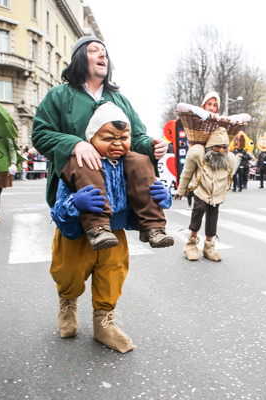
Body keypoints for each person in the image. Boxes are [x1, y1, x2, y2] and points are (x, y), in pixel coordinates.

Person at [31, 36, 168, 353]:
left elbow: (138, 138)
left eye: (105, 52)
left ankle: (104, 321)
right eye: (94, 51)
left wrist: (153, 146)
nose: (101, 55)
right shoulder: (59, 96)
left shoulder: (120, 100)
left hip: (116, 205)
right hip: (80, 197)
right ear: (80, 58)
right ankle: (67, 302)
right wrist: (74, 144)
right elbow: (40, 134)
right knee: (70, 268)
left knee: (113, 266)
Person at [60, 102, 173, 250]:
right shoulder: (80, 161)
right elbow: (59, 206)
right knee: (71, 273)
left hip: (116, 235)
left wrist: (165, 196)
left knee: (114, 272)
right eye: (108, 139)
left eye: (124, 138)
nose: (118, 144)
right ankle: (97, 227)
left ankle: (154, 228)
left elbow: (151, 191)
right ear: (91, 139)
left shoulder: (136, 162)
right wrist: (74, 203)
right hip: (80, 235)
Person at [175, 128, 236, 262]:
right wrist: (181, 190)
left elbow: (230, 176)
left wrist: (225, 190)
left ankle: (208, 247)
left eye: (224, 147)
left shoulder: (230, 158)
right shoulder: (198, 154)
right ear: (209, 147)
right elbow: (186, 173)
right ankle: (190, 244)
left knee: (213, 215)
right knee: (200, 208)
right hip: (201, 188)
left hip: (217, 192)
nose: (221, 151)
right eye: (217, 147)